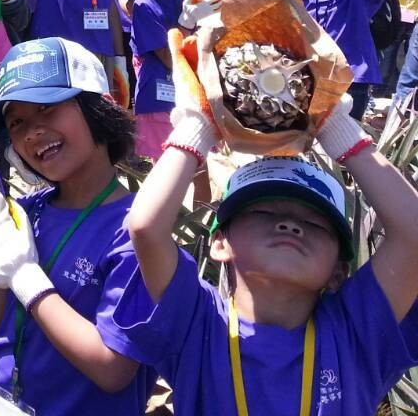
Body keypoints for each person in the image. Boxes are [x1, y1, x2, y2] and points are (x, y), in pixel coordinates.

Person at [116, 62, 418, 416]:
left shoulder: (354, 331)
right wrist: (198, 127)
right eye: (265, 213)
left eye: (315, 224)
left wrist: (339, 131)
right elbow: (145, 228)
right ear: (220, 243)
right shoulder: (199, 321)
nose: (290, 226)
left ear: (339, 270)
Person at [0, 37, 152, 416]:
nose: (31, 131)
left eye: (47, 108)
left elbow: (114, 369)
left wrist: (25, 276)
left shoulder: (136, 232)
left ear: (98, 105)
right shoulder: (25, 212)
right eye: (17, 122)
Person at [126, 0, 187, 160]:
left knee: (199, 163)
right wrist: (188, 19)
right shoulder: (143, 5)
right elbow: (169, 58)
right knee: (166, 163)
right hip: (158, 99)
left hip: (188, 95)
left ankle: (206, 200)